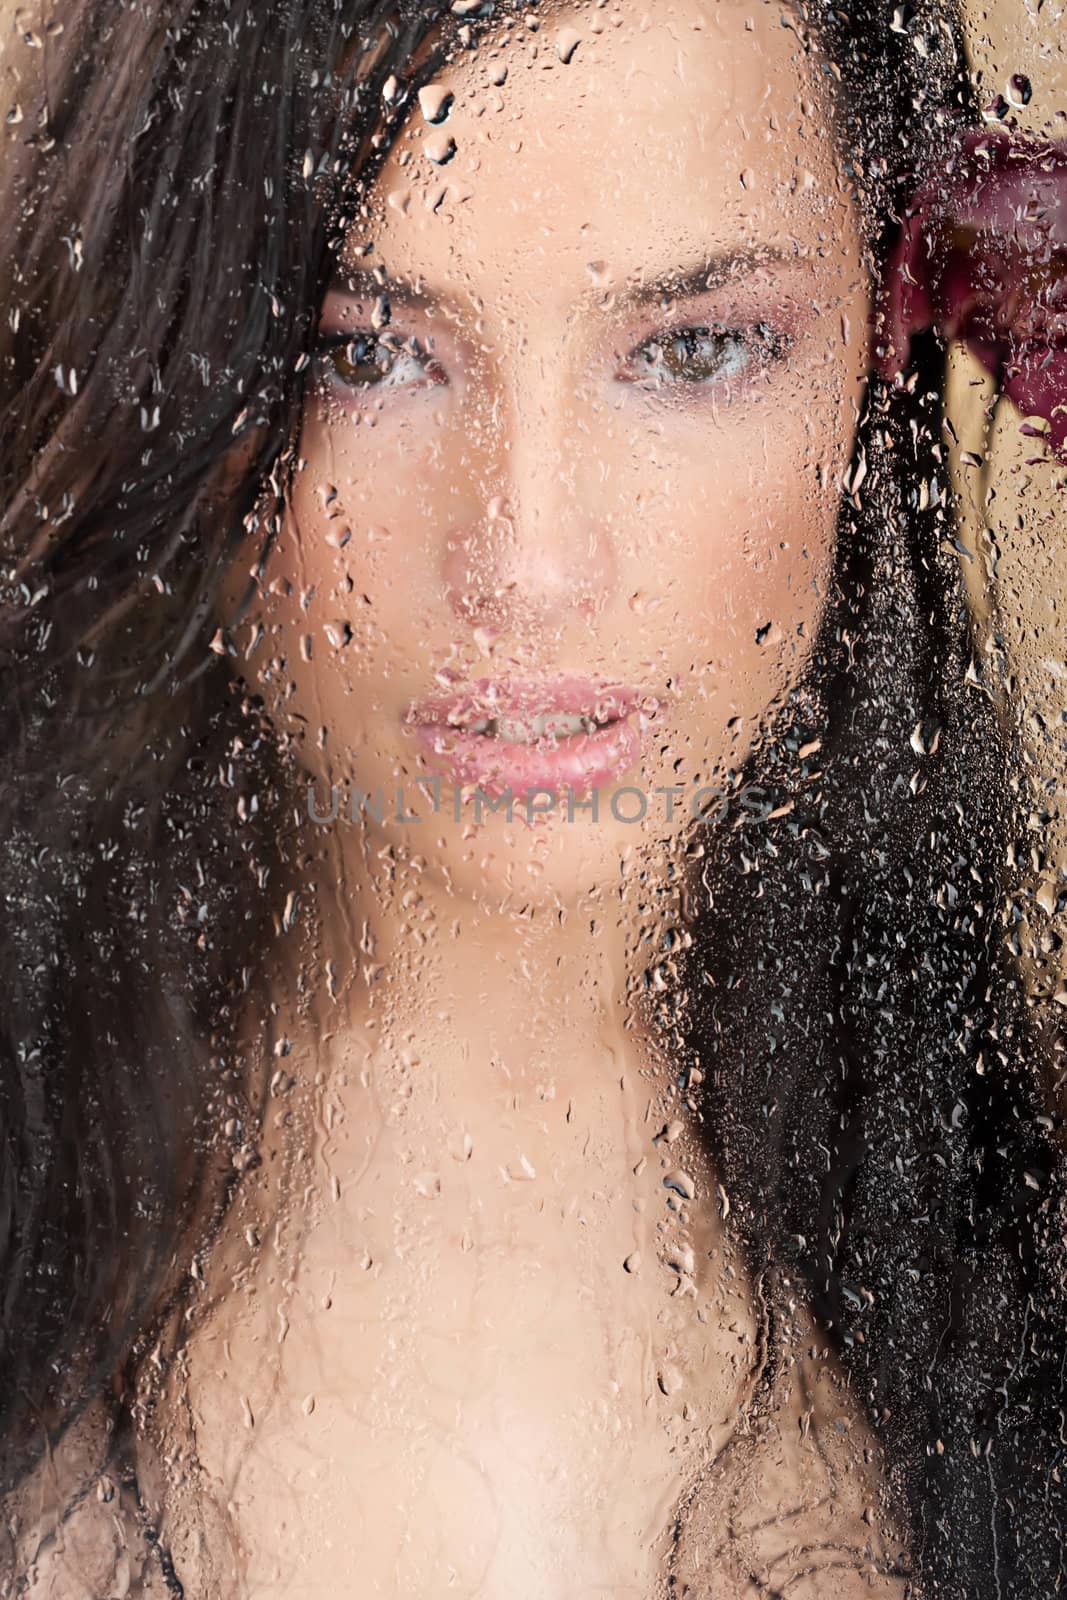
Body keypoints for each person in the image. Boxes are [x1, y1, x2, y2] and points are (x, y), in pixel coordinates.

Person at [0, 0, 1062, 1595]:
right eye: (363, 353)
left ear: (885, 331)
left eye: (694, 348)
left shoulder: (1000, 1270)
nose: (529, 561)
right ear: (176, 356)